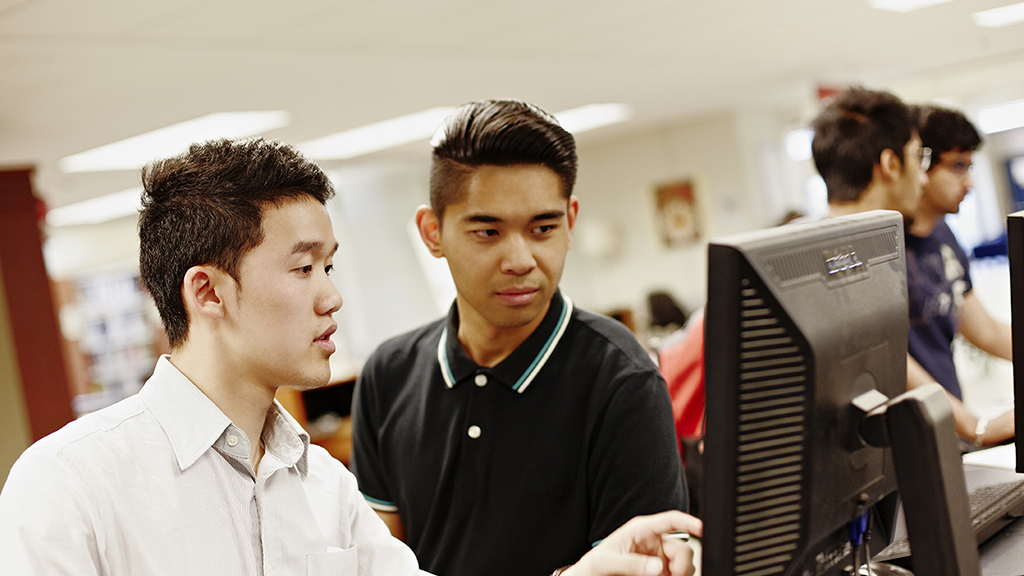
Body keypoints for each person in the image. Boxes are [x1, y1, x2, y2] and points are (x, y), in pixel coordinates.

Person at [0, 137, 701, 576]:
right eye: (305, 270)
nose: (333, 298)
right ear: (208, 291)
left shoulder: (319, 487)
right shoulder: (71, 486)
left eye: (331, 267)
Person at [350, 100, 688, 576]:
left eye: (542, 228)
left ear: (570, 223)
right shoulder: (389, 373)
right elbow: (379, 563)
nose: (520, 259)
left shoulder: (622, 381)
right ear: (433, 233)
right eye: (487, 231)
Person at [904, 104, 1014, 446]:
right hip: (909, 438)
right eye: (956, 167)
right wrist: (973, 426)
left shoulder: (944, 235)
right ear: (920, 166)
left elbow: (986, 330)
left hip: (948, 432)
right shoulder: (886, 246)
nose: (969, 182)